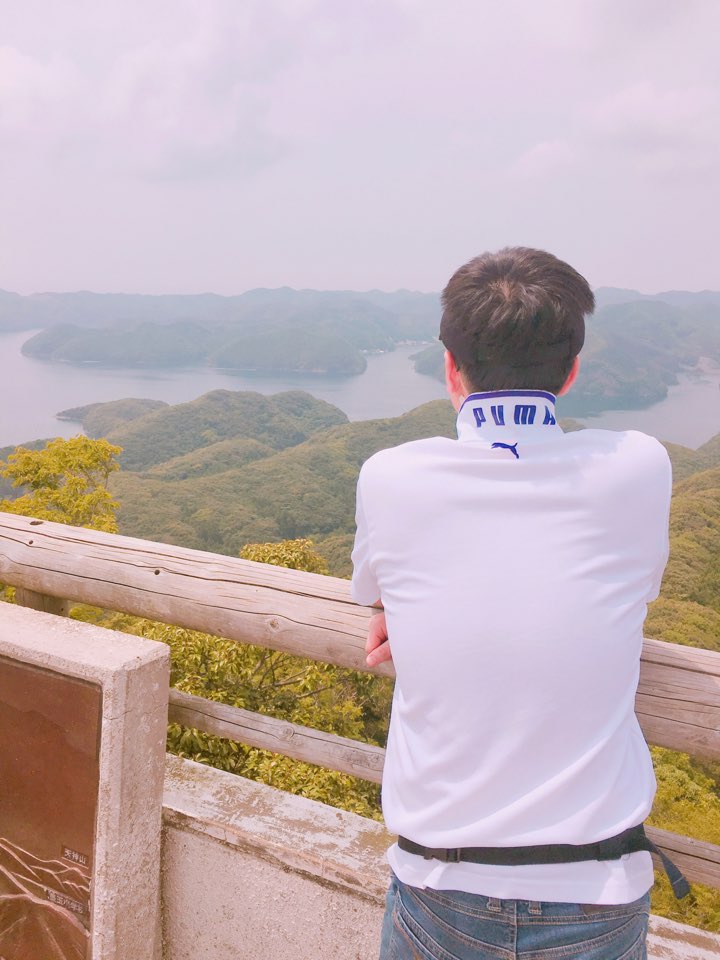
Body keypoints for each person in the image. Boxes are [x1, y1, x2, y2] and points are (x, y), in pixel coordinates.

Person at [351, 247, 679, 960]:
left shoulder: (390, 477)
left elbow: (376, 594)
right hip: (597, 888)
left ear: (450, 367)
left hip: (438, 885)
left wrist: (408, 615)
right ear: (572, 370)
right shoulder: (639, 466)